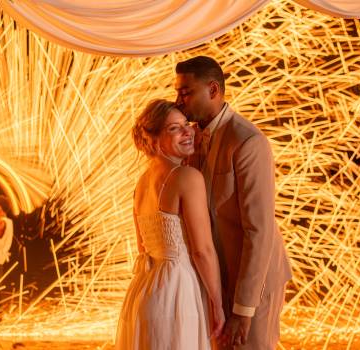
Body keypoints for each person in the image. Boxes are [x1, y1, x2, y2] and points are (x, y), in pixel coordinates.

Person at [175, 56, 292, 350]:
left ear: (213, 90)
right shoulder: (193, 138)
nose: (178, 101)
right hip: (218, 280)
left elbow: (259, 231)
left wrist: (243, 309)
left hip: (254, 282)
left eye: (186, 92)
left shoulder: (248, 141)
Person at [116, 99, 225, 350]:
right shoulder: (187, 177)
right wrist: (217, 305)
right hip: (178, 293)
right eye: (174, 128)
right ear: (153, 140)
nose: (188, 131)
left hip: (144, 293)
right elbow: (202, 251)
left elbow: (142, 247)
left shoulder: (142, 183)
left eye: (186, 124)